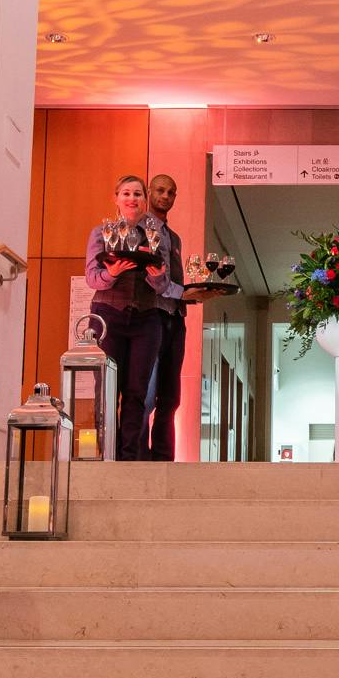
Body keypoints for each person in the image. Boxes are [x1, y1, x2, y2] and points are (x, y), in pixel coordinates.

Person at [81, 172, 178, 460]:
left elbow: (163, 285)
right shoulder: (101, 233)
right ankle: (106, 454)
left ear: (144, 199)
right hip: (108, 315)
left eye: (137, 194)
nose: (132, 199)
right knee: (108, 390)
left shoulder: (156, 237)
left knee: (137, 392)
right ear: (116, 198)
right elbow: (92, 278)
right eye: (126, 193)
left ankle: (129, 456)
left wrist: (158, 277)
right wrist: (111, 273)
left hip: (146, 318)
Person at [141, 171, 188, 461]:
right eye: (160, 190)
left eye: (171, 192)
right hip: (151, 315)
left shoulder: (175, 237)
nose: (165, 196)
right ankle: (137, 455)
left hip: (175, 317)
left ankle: (163, 457)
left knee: (171, 395)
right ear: (149, 192)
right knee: (146, 394)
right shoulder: (138, 230)